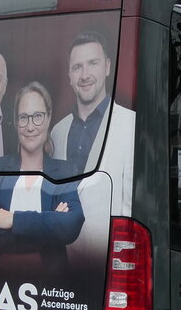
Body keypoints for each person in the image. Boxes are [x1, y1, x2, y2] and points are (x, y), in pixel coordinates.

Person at [0, 82, 83, 265]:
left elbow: (72, 224)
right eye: (24, 117)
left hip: (50, 287)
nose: (30, 126)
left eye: (38, 116)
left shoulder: (64, 171)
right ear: (16, 123)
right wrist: (50, 225)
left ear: (49, 118)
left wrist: (14, 220)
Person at [48, 31, 135, 208]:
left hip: (108, 235)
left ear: (108, 67)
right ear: (69, 76)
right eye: (77, 67)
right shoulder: (57, 132)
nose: (85, 75)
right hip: (62, 235)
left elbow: (130, 199)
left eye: (93, 63)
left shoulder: (130, 124)